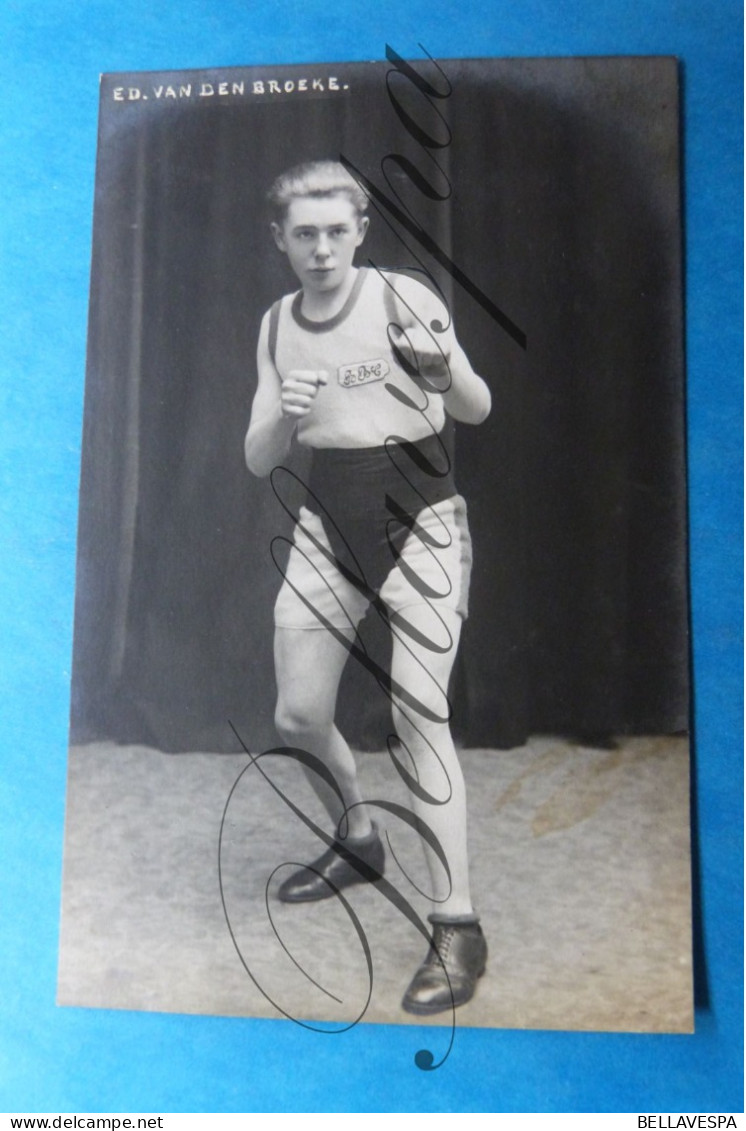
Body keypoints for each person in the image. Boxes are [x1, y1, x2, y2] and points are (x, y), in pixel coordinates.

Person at [244, 159, 491, 1015]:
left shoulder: (404, 297)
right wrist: (284, 409)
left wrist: (441, 366)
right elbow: (257, 456)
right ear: (280, 239)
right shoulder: (277, 323)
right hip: (327, 522)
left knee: (419, 710)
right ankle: (358, 837)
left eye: (335, 231)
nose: (320, 249)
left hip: (420, 517)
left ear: (361, 230)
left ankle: (456, 922)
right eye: (303, 234)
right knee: (297, 717)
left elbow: (477, 407)